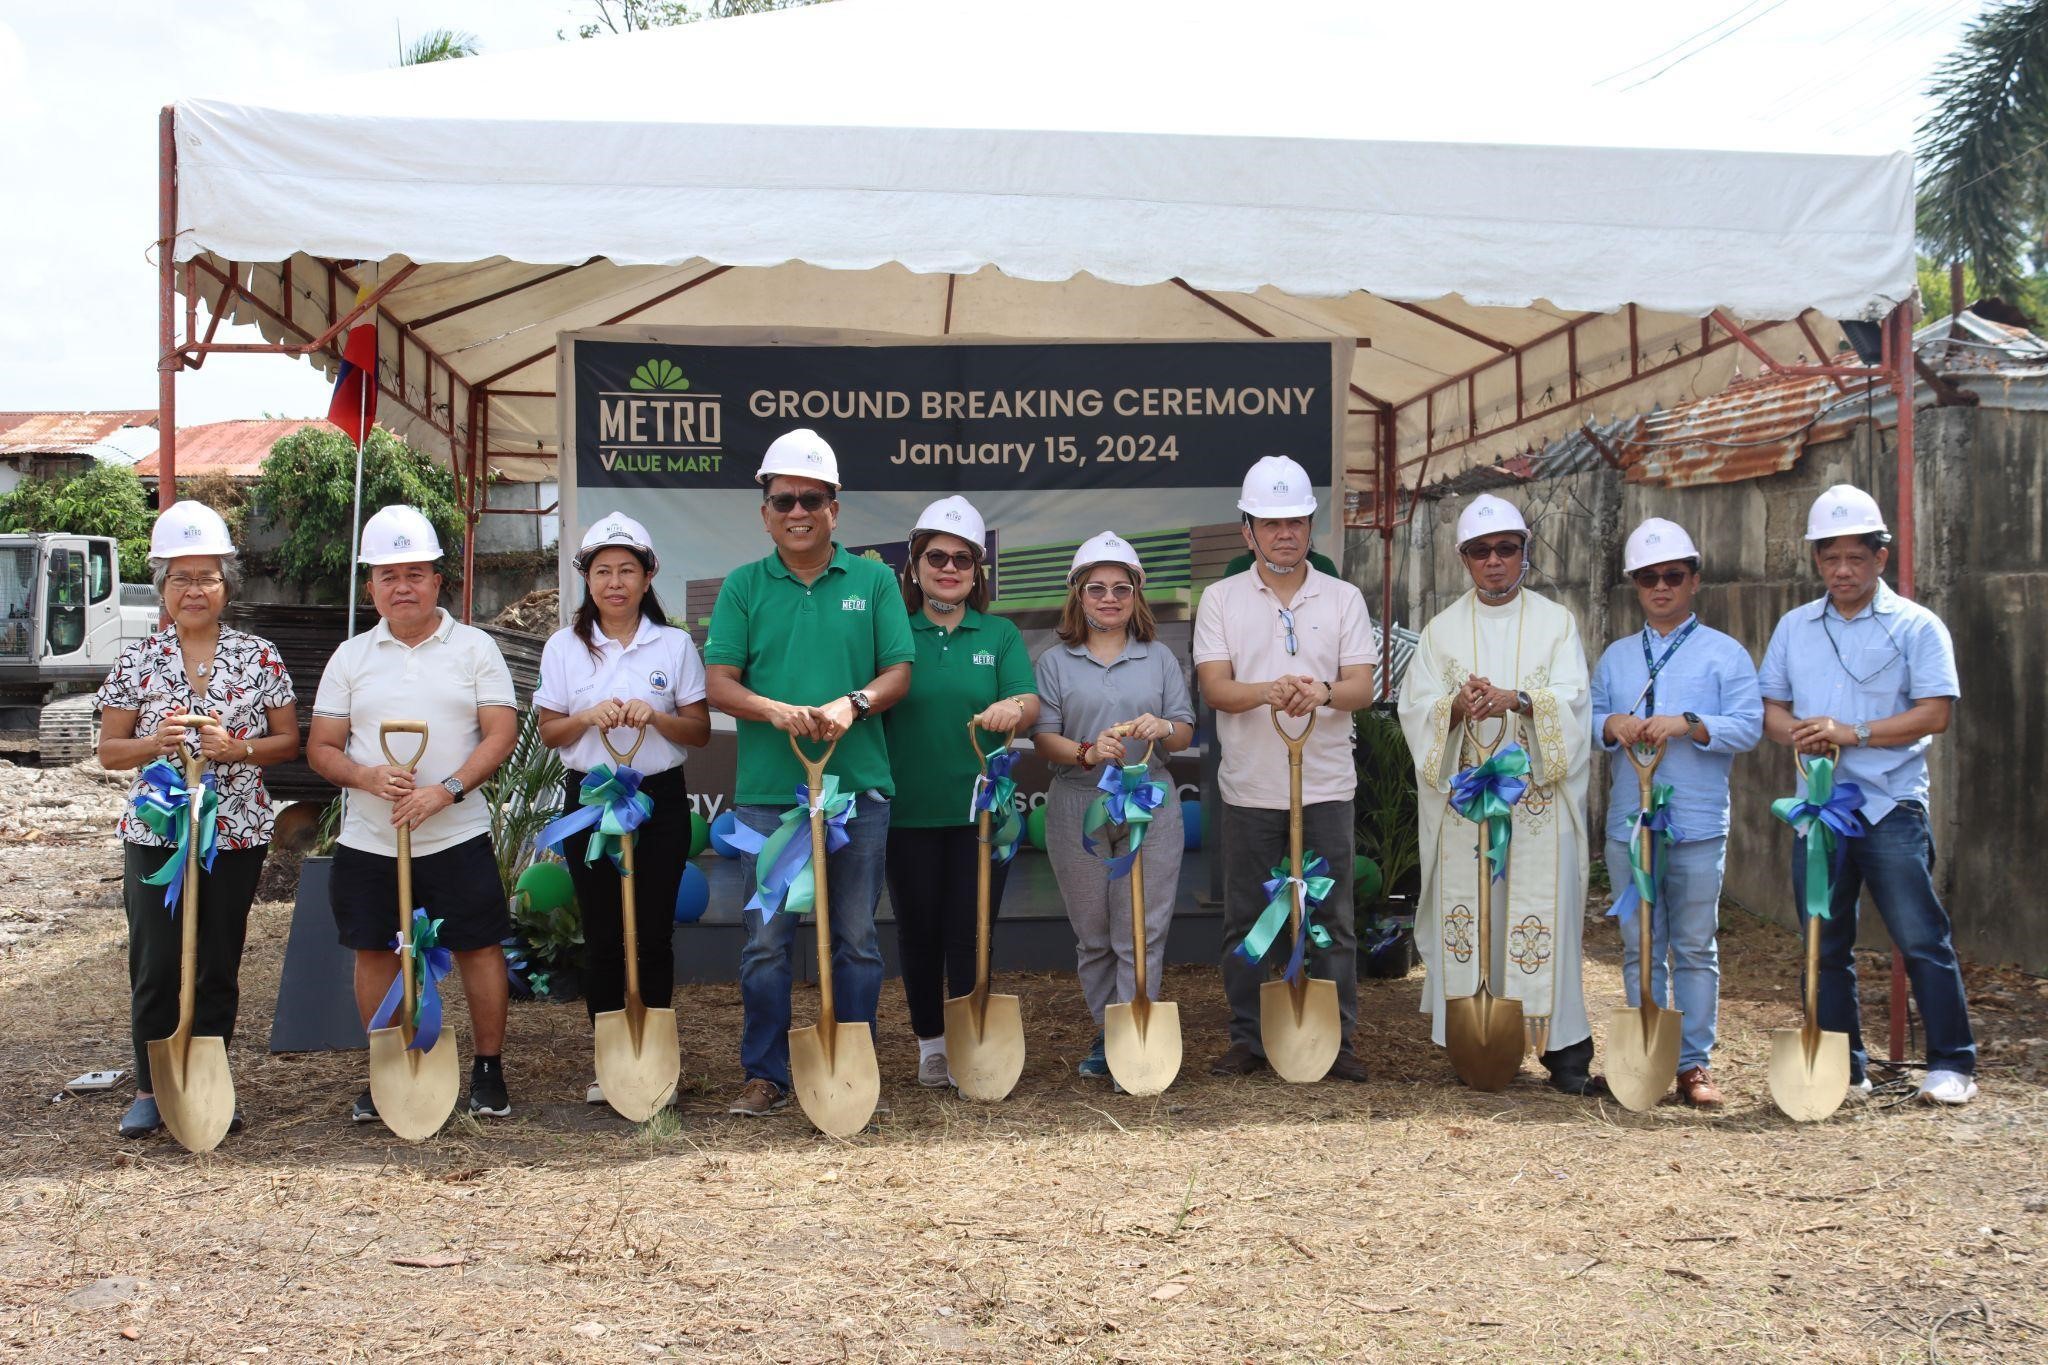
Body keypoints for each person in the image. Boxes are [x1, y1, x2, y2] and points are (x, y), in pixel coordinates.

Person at [702, 429, 915, 1117]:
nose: (798, 510)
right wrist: (776, 711)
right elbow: (718, 683)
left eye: (812, 499)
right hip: (770, 797)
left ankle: (854, 1067)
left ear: (835, 508)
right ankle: (764, 1072)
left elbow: (898, 673)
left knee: (855, 938)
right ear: (765, 511)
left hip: (859, 790)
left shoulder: (875, 579)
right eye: (784, 498)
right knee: (765, 942)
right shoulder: (742, 586)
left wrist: (854, 703)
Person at [1758, 484, 1975, 1105]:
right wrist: (1800, 736)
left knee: (1920, 937)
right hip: (1817, 814)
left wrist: (1851, 733)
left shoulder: (1916, 626)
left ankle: (1952, 1064)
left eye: (1857, 557)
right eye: (1831, 558)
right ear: (1817, 562)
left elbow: (1935, 713)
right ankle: (1845, 1068)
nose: (1843, 570)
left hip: (1889, 807)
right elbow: (1770, 708)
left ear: (1882, 558)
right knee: (1823, 945)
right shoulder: (1795, 627)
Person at [307, 505, 520, 1122]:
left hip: (456, 832)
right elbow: (322, 747)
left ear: (437, 580)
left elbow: (500, 732)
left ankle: (487, 1069)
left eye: (416, 574)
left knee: (480, 947)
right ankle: (388, 1067)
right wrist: (368, 776)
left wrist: (446, 789)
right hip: (372, 837)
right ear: (370, 585)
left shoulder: (476, 648)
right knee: (375, 951)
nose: (403, 587)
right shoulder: (350, 657)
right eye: (388, 575)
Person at [95, 501, 299, 1139]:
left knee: (216, 958)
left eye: (206, 577)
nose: (193, 590)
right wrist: (157, 743)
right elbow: (108, 751)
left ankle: (212, 1079)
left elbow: (288, 741)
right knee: (155, 960)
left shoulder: (258, 656)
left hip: (233, 831)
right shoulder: (138, 660)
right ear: (161, 588)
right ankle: (150, 1086)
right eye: (180, 578)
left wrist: (237, 748)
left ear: (226, 587)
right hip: (158, 834)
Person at [1397, 492, 1599, 1093]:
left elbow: (1576, 702)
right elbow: (1414, 708)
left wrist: (1523, 701)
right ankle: (1475, 1043)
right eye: (1481, 551)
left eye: (1505, 549)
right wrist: (1453, 707)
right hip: (1466, 812)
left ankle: (1563, 1050)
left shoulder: (1557, 624)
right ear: (1464, 559)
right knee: (1475, 922)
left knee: (1545, 923)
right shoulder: (1441, 631)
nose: (1494, 561)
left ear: (1524, 555)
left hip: (1536, 807)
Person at [1192, 456, 1376, 1080]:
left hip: (1326, 786)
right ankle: (1247, 1036)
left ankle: (1337, 1040)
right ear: (1247, 531)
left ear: (1311, 526)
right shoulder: (1219, 600)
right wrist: (1272, 691)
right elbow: (1216, 688)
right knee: (1247, 918)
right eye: (1270, 523)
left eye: (1295, 520)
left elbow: (1362, 688)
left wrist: (1321, 692)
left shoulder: (1344, 597)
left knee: (1332, 916)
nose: (1284, 533)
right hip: (1249, 788)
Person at [534, 511, 709, 1106]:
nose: (614, 582)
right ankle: (611, 1061)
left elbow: (699, 732)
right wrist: (587, 715)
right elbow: (550, 733)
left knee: (654, 931)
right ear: (586, 578)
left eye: (626, 570)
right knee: (604, 932)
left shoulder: (675, 643)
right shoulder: (564, 646)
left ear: (648, 575)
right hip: (592, 799)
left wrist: (652, 714)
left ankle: (656, 1058)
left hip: (656, 798)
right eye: (602, 571)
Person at [1588, 517, 1763, 1108]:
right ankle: (1644, 1055)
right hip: (1628, 825)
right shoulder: (1616, 656)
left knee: (1693, 945)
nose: (1660, 587)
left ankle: (1692, 1063)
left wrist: (1689, 725)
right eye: (1647, 578)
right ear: (1635, 586)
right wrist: (1610, 724)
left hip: (1694, 823)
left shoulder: (1725, 654)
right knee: (1639, 941)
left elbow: (1749, 726)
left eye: (1672, 576)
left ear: (1693, 581)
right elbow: (1589, 719)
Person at [882, 496, 1040, 1087]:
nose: (948, 569)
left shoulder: (997, 634)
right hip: (907, 813)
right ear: (916, 566)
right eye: (936, 558)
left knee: (972, 931)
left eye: (962, 561)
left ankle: (970, 1035)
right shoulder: (892, 631)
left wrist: (1012, 705)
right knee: (918, 930)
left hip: (981, 817)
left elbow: (1029, 701)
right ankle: (931, 1044)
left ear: (977, 573)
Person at [1032, 532, 1196, 1082]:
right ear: (1078, 595)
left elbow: (1183, 732)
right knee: (1095, 932)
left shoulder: (1160, 658)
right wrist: (1084, 751)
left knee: (1142, 929)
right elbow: (1043, 739)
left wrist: (1164, 726)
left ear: (1136, 596)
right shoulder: (1055, 661)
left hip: (1148, 798)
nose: (1109, 598)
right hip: (1079, 802)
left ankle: (1135, 1030)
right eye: (1096, 588)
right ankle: (1108, 1032)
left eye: (1121, 588)